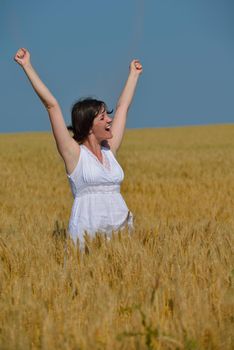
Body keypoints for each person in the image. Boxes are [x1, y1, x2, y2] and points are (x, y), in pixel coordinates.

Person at [14, 48, 143, 249]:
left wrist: (133, 75)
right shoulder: (74, 155)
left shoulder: (110, 149)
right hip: (87, 233)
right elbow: (52, 106)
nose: (110, 120)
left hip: (120, 233)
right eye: (102, 118)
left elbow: (122, 107)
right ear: (89, 126)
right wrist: (27, 65)